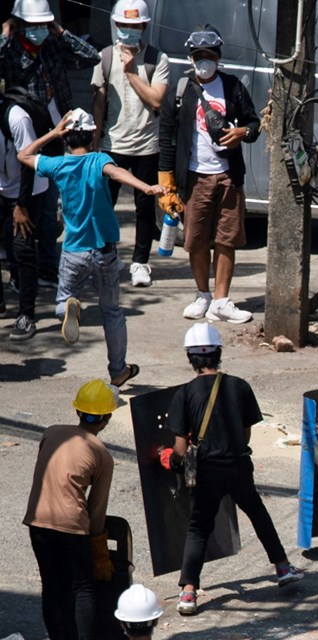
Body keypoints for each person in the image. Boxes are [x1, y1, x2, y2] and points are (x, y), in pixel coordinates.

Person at [160, 323, 304, 615]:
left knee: (199, 527)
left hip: (208, 471)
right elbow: (247, 432)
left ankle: (188, 593)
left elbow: (179, 448)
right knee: (258, 513)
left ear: (191, 357)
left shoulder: (184, 394)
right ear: (219, 353)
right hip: (238, 465)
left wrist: (172, 461)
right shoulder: (240, 386)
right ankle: (283, 568)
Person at [18, 108, 156, 386]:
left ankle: (68, 309)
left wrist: (53, 133)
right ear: (93, 136)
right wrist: (146, 188)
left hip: (73, 251)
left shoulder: (58, 165)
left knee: (63, 300)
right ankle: (118, 370)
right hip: (103, 250)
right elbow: (116, 174)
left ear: (67, 138)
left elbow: (24, 155)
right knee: (112, 312)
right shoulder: (98, 160)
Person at [158, 26, 261, 324]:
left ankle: (221, 300)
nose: (204, 61)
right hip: (194, 177)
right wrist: (167, 182)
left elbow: (254, 123)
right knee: (197, 239)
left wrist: (244, 132)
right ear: (191, 59)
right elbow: (166, 136)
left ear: (218, 57)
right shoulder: (180, 91)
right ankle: (202, 295)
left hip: (228, 175)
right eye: (198, 56)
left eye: (209, 55)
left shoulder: (232, 87)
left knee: (227, 238)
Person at [0, 0, 100, 287]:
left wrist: (61, 33)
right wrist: (6, 34)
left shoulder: (54, 46)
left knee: (48, 206)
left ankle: (47, 268)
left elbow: (91, 56)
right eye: (33, 26)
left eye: (43, 25)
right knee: (20, 205)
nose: (38, 31)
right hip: (24, 137)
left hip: (57, 136)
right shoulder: (11, 52)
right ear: (20, 25)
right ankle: (20, 271)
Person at [23, 379, 118, 640]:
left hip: (37, 520)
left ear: (78, 411)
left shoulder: (51, 433)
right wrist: (98, 546)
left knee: (51, 586)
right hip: (72, 527)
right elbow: (96, 509)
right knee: (83, 587)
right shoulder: (101, 454)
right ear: (106, 418)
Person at [91, 0, 169, 287]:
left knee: (145, 207)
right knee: (104, 205)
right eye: (124, 25)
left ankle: (140, 263)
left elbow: (156, 100)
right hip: (112, 144)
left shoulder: (157, 59)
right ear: (116, 25)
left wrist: (132, 72)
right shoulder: (105, 57)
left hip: (147, 145)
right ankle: (108, 254)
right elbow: (99, 101)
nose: (129, 30)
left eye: (135, 26)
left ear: (144, 26)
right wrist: (95, 139)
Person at [1, 84, 49, 341]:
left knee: (23, 247)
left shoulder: (16, 118)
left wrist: (21, 206)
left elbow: (29, 163)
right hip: (2, 186)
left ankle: (26, 315)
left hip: (28, 189)